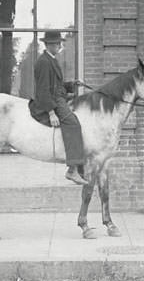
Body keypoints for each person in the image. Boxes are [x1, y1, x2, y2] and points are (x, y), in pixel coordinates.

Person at [28, 30, 88, 185]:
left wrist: (71, 84)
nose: (60, 46)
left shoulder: (51, 60)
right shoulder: (43, 62)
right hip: (51, 101)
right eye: (57, 43)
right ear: (49, 45)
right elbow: (42, 90)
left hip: (57, 98)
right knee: (73, 123)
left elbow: (56, 85)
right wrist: (51, 112)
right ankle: (72, 170)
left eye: (59, 43)